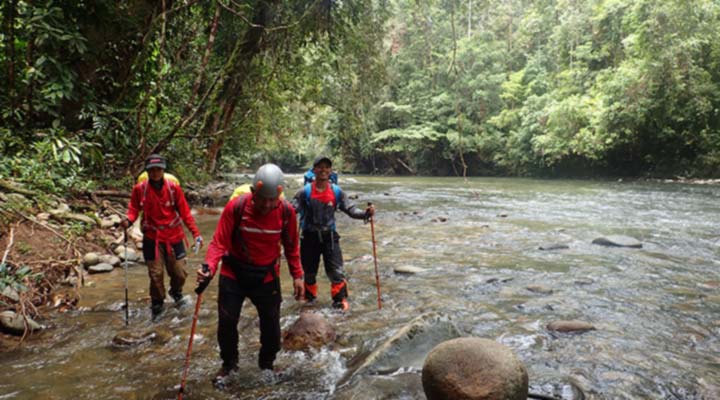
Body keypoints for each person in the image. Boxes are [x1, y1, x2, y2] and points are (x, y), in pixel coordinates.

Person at [196, 163, 304, 384]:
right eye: (262, 198)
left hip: (266, 276)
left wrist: (298, 276)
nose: (266, 204)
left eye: (271, 199)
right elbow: (218, 242)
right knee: (226, 323)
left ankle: (267, 365)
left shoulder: (286, 212)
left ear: (280, 195)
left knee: (272, 329)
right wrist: (209, 267)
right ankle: (229, 365)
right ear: (253, 192)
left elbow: (292, 247)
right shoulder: (236, 207)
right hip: (233, 272)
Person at [121, 154, 203, 320]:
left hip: (174, 236)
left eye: (158, 169)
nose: (155, 173)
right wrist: (128, 221)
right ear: (148, 171)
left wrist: (196, 234)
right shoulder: (140, 190)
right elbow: (133, 209)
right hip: (152, 237)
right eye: (152, 170)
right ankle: (157, 303)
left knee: (179, 273)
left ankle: (176, 292)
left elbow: (185, 213)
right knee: (156, 274)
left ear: (163, 170)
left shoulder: (174, 189)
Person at [292, 156, 374, 311]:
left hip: (330, 237)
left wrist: (365, 214)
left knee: (336, 272)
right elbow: (292, 210)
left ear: (330, 170)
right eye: (320, 167)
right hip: (309, 237)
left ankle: (339, 301)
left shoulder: (337, 192)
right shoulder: (304, 192)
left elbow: (350, 210)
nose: (323, 170)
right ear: (314, 170)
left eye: (326, 167)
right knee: (309, 273)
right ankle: (310, 300)